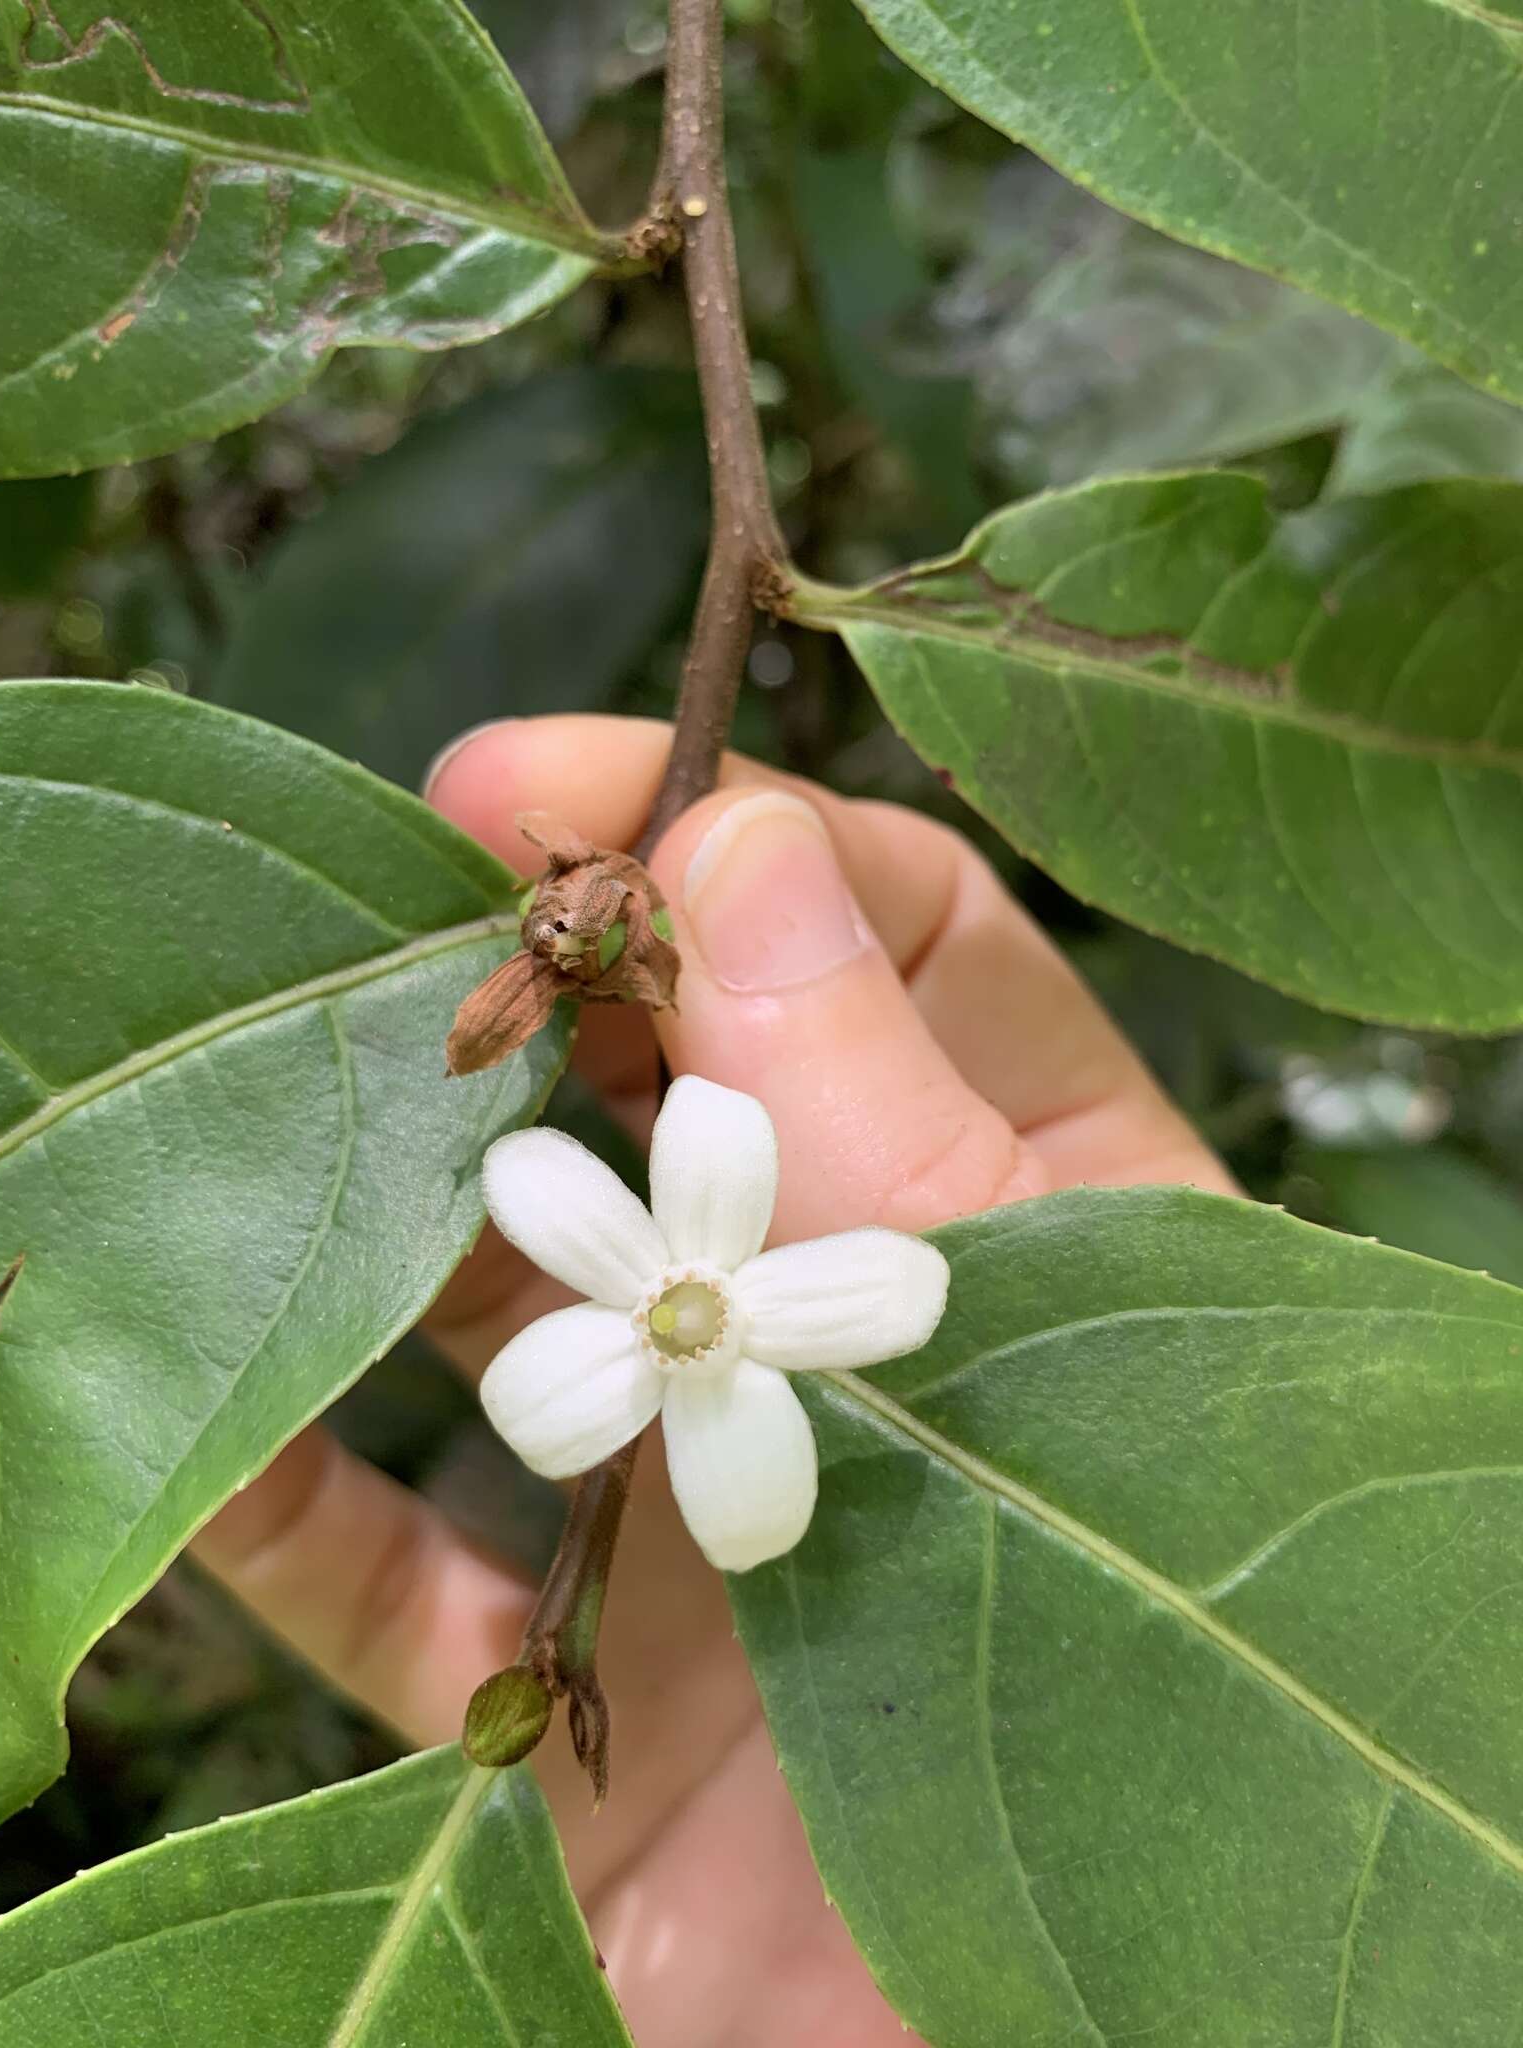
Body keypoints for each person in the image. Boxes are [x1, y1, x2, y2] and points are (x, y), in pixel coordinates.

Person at [192, 714, 1235, 2046]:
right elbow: (551, 1265)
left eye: (688, 1312)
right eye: (683, 1313)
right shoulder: (601, 1249)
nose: (687, 1317)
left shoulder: (790, 1268)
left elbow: (893, 1286)